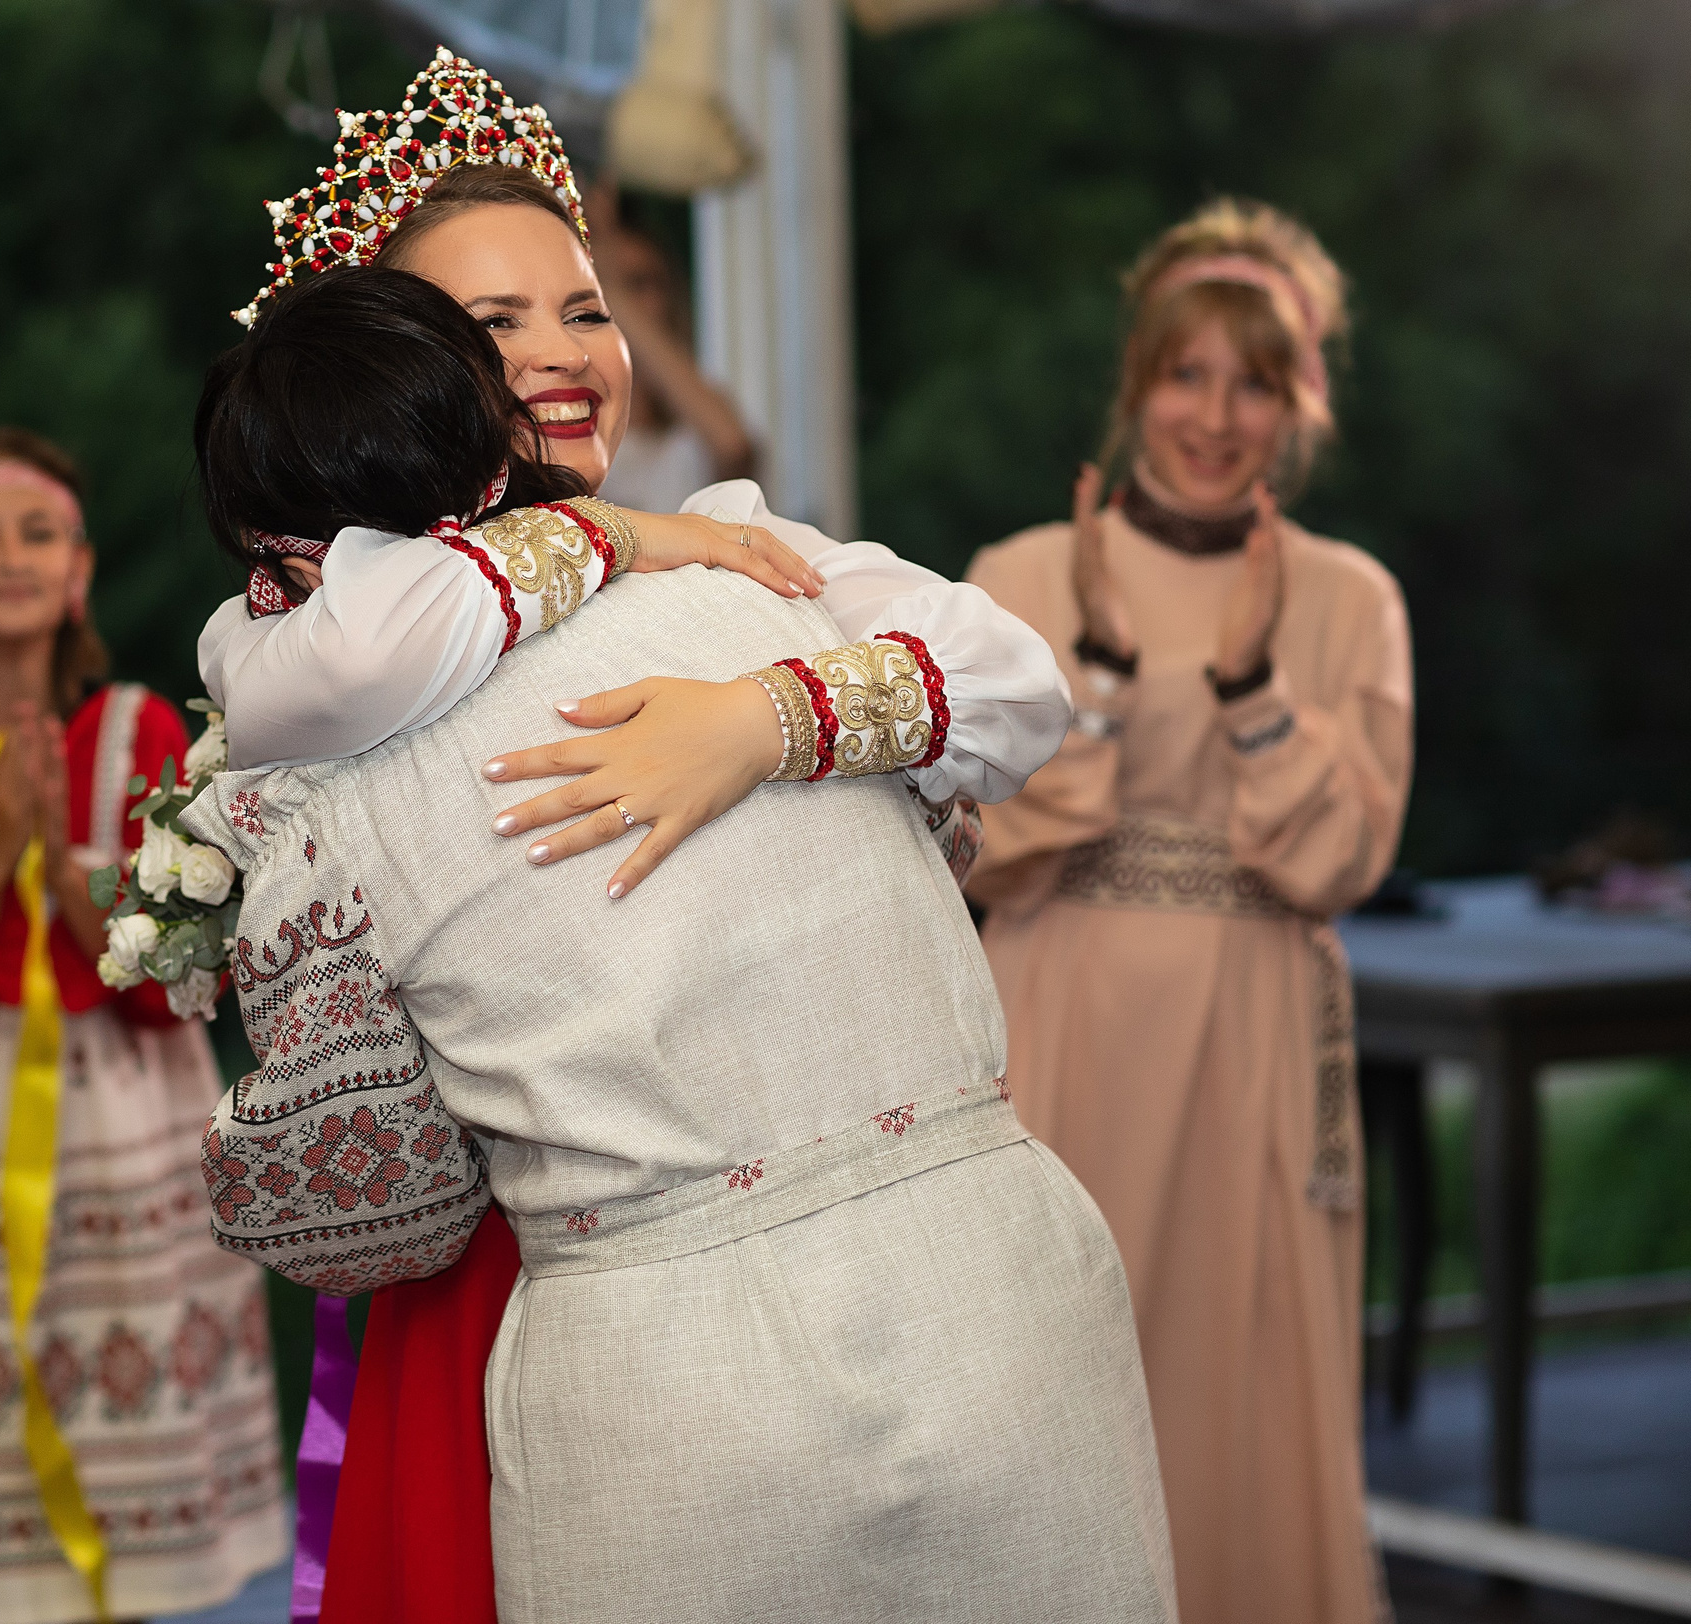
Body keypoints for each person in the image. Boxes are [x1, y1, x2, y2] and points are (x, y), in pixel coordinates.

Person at [198, 53, 1059, 1623]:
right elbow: (345, 672)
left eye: (586, 309)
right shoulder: (322, 617)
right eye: (491, 323)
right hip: (527, 1269)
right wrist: (607, 533)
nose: (561, 352)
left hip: (855, 1234)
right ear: (389, 366)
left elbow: (1015, 680)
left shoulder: (742, 541)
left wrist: (767, 720)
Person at [961, 199, 1413, 1624]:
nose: (1215, 418)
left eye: (1254, 384)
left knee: (1244, 1385)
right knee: (1053, 1371)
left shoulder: (1349, 599)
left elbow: (1347, 855)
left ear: (1300, 405)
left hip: (1253, 1035)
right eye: (1186, 374)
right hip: (1062, 1018)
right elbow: (969, 840)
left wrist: (1254, 690)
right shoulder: (1019, 578)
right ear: (1136, 379)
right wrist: (1093, 678)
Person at [0, 426, 285, 1622]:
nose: (11, 556)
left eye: (39, 532)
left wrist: (62, 872)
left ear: (78, 569)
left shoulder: (136, 731)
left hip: (123, 1137)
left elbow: (176, 970)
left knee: (131, 1459)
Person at [581, 186, 756, 513]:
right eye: (597, 283)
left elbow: (734, 447)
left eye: (639, 282)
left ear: (670, 293)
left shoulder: (690, 433)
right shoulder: (568, 428)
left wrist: (614, 290)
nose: (615, 300)